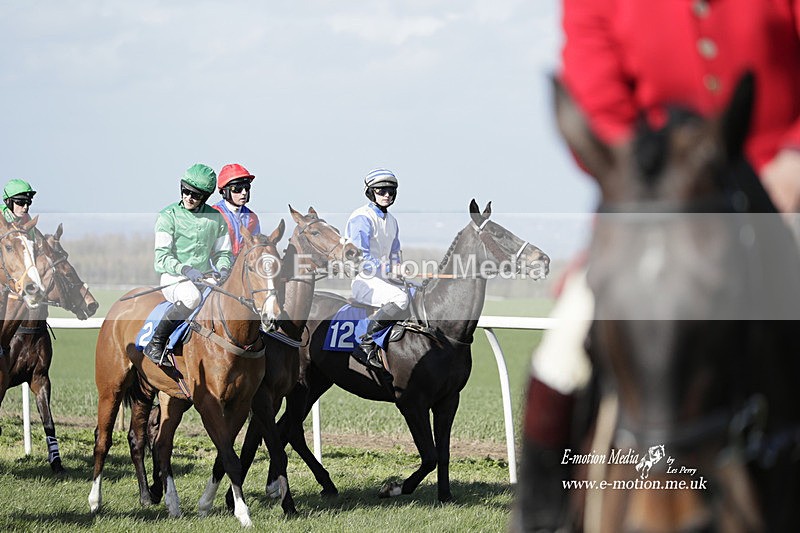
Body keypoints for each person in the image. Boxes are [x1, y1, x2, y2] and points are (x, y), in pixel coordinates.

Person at [513, 2, 800, 530]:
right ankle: (541, 517)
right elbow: (599, 104)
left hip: (784, 198)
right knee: (559, 357)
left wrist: (794, 157)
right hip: (656, 212)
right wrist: (648, 185)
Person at [143, 163, 233, 367]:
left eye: (195, 195)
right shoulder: (168, 216)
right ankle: (155, 345)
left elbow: (223, 252)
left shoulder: (216, 218)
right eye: (185, 191)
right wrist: (185, 269)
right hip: (173, 276)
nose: (189, 197)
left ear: (206, 197)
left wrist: (224, 268)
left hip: (204, 276)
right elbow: (162, 257)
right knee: (192, 298)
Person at [345, 168, 409, 368]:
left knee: (419, 292)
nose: (387, 195)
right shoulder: (361, 218)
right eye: (381, 191)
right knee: (401, 298)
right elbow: (360, 257)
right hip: (365, 281)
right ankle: (368, 340)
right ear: (371, 192)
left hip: (386, 280)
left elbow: (395, 252)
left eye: (391, 191)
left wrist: (398, 267)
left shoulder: (392, 221)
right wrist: (390, 269)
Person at [211, 163, 261, 257]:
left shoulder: (253, 218)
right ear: (225, 191)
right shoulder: (214, 214)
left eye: (246, 188)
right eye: (237, 189)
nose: (244, 193)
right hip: (214, 268)